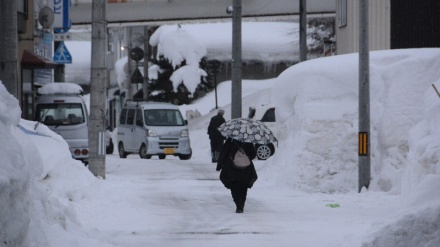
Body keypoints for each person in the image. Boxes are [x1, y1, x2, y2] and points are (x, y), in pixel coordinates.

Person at [216, 138, 258, 213]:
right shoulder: (248, 141)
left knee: (234, 187)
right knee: (243, 187)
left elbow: (224, 153)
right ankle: (241, 205)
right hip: (246, 169)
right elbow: (253, 154)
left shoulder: (230, 140)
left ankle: (238, 204)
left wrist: (219, 165)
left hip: (231, 168)